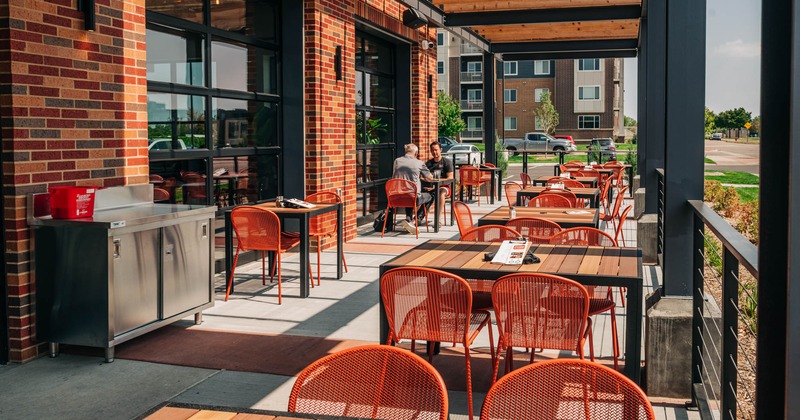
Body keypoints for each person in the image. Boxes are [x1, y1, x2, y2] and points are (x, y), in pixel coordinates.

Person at [392, 143, 433, 234]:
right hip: (412, 197)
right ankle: (415, 221)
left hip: (396, 197)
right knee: (431, 196)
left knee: (407, 191)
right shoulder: (419, 163)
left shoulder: (397, 161)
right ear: (416, 153)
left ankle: (408, 218)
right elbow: (430, 177)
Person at [421, 141, 454, 226]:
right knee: (420, 193)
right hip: (430, 187)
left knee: (441, 192)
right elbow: (421, 176)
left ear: (441, 150)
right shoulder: (428, 163)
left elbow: (450, 178)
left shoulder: (446, 162)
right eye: (432, 150)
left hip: (444, 187)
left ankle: (438, 219)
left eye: (436, 150)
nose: (434, 152)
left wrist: (436, 183)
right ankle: (418, 217)